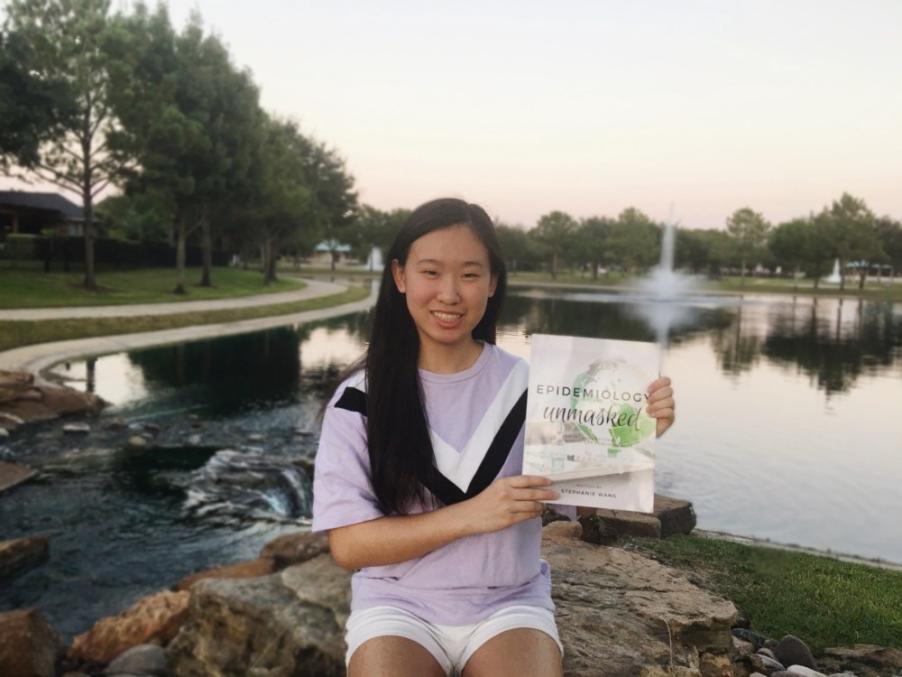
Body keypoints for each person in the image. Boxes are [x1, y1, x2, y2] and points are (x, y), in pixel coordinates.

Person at [312, 198, 676, 677]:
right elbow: (349, 547)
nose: (449, 294)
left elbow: (581, 502)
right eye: (431, 272)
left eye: (468, 274)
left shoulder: (536, 387)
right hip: (397, 604)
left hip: (509, 602)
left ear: (492, 282)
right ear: (400, 277)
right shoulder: (361, 397)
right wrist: (472, 516)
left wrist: (633, 435)